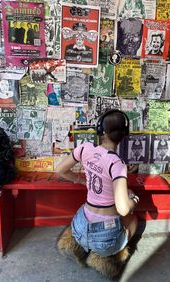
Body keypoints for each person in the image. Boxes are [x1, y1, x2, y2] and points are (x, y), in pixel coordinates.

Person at [56, 110, 139, 259]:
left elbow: (60, 170)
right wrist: (134, 200)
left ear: (102, 131)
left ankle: (85, 245)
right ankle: (110, 255)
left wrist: (81, 181)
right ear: (123, 135)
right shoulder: (117, 164)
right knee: (133, 220)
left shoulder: (84, 148)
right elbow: (123, 209)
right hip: (105, 238)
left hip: (79, 227)